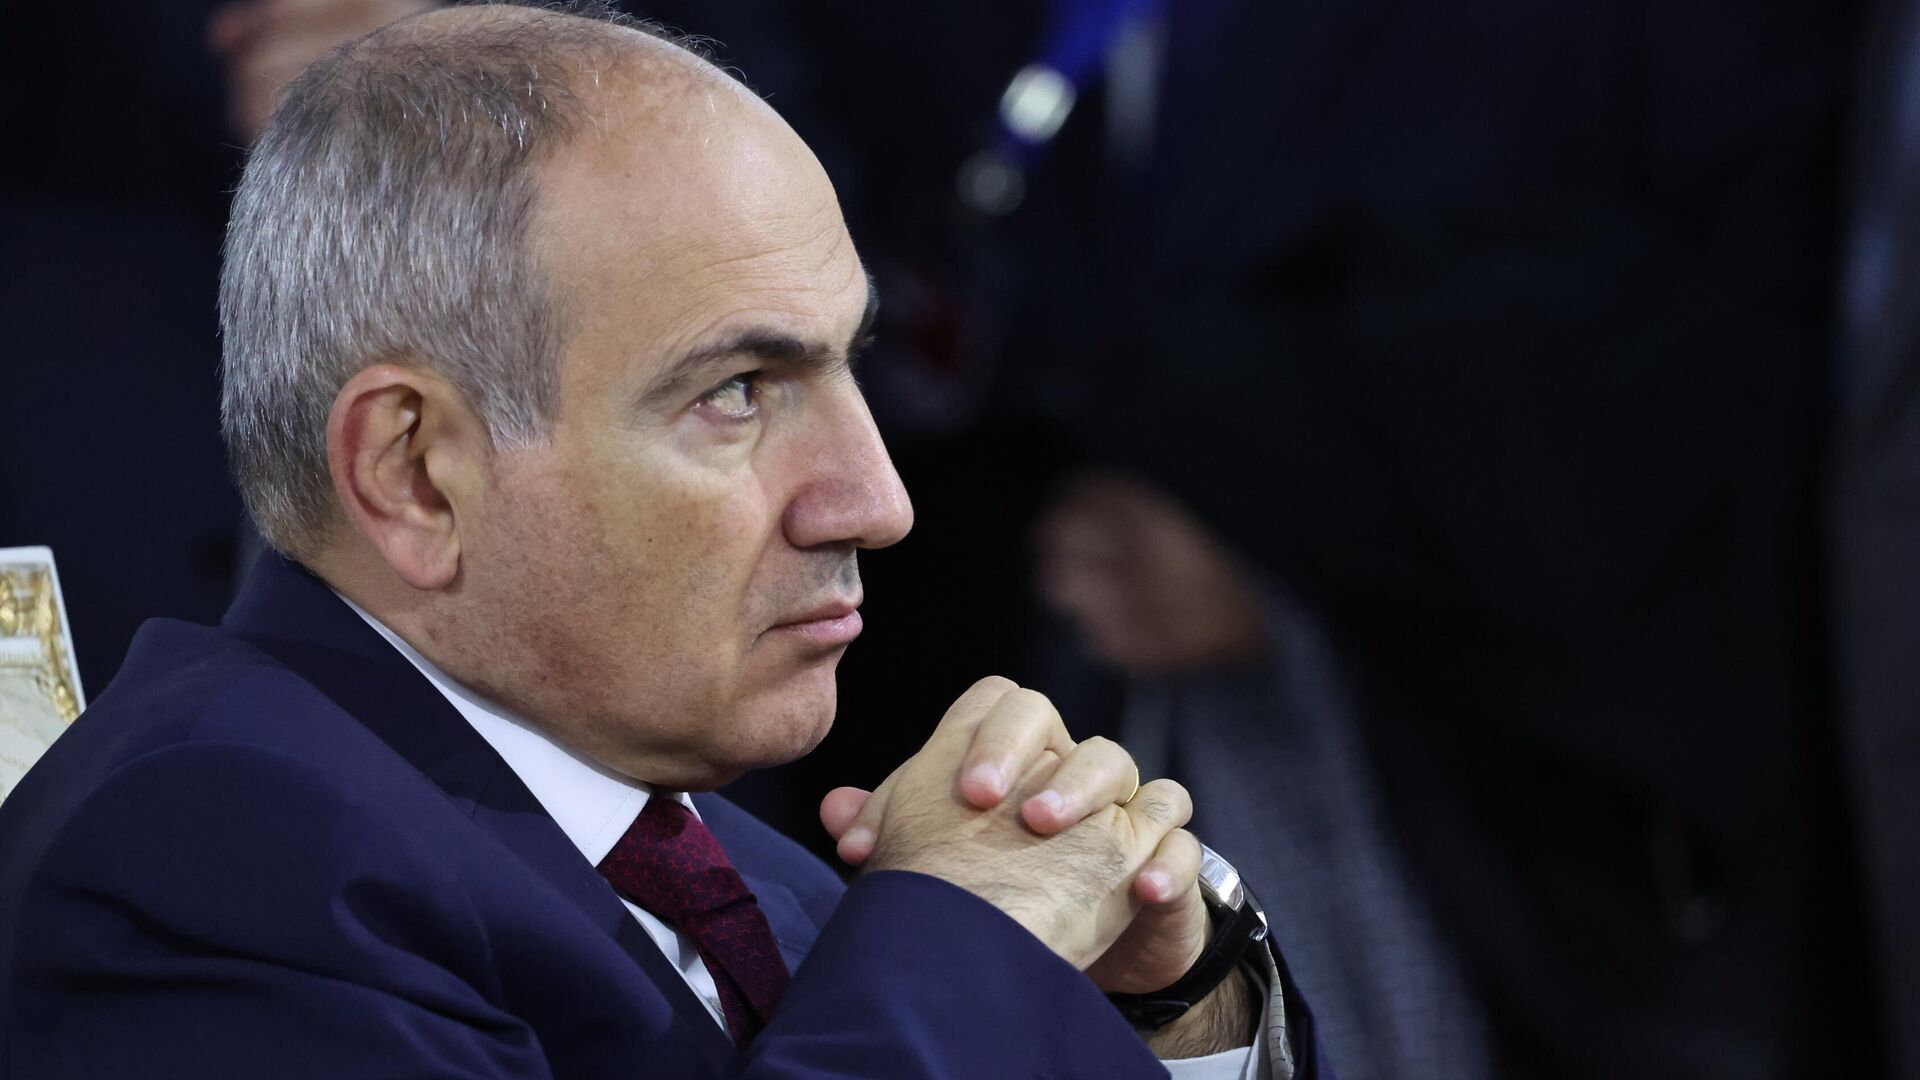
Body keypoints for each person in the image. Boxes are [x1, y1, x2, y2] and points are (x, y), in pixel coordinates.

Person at [0, 4, 1326, 1077]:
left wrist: (1176, 1011)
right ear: (415, 475)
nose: (876, 501)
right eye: (737, 392)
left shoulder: (747, 870)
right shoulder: (214, 855)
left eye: (850, 369)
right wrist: (975, 943)